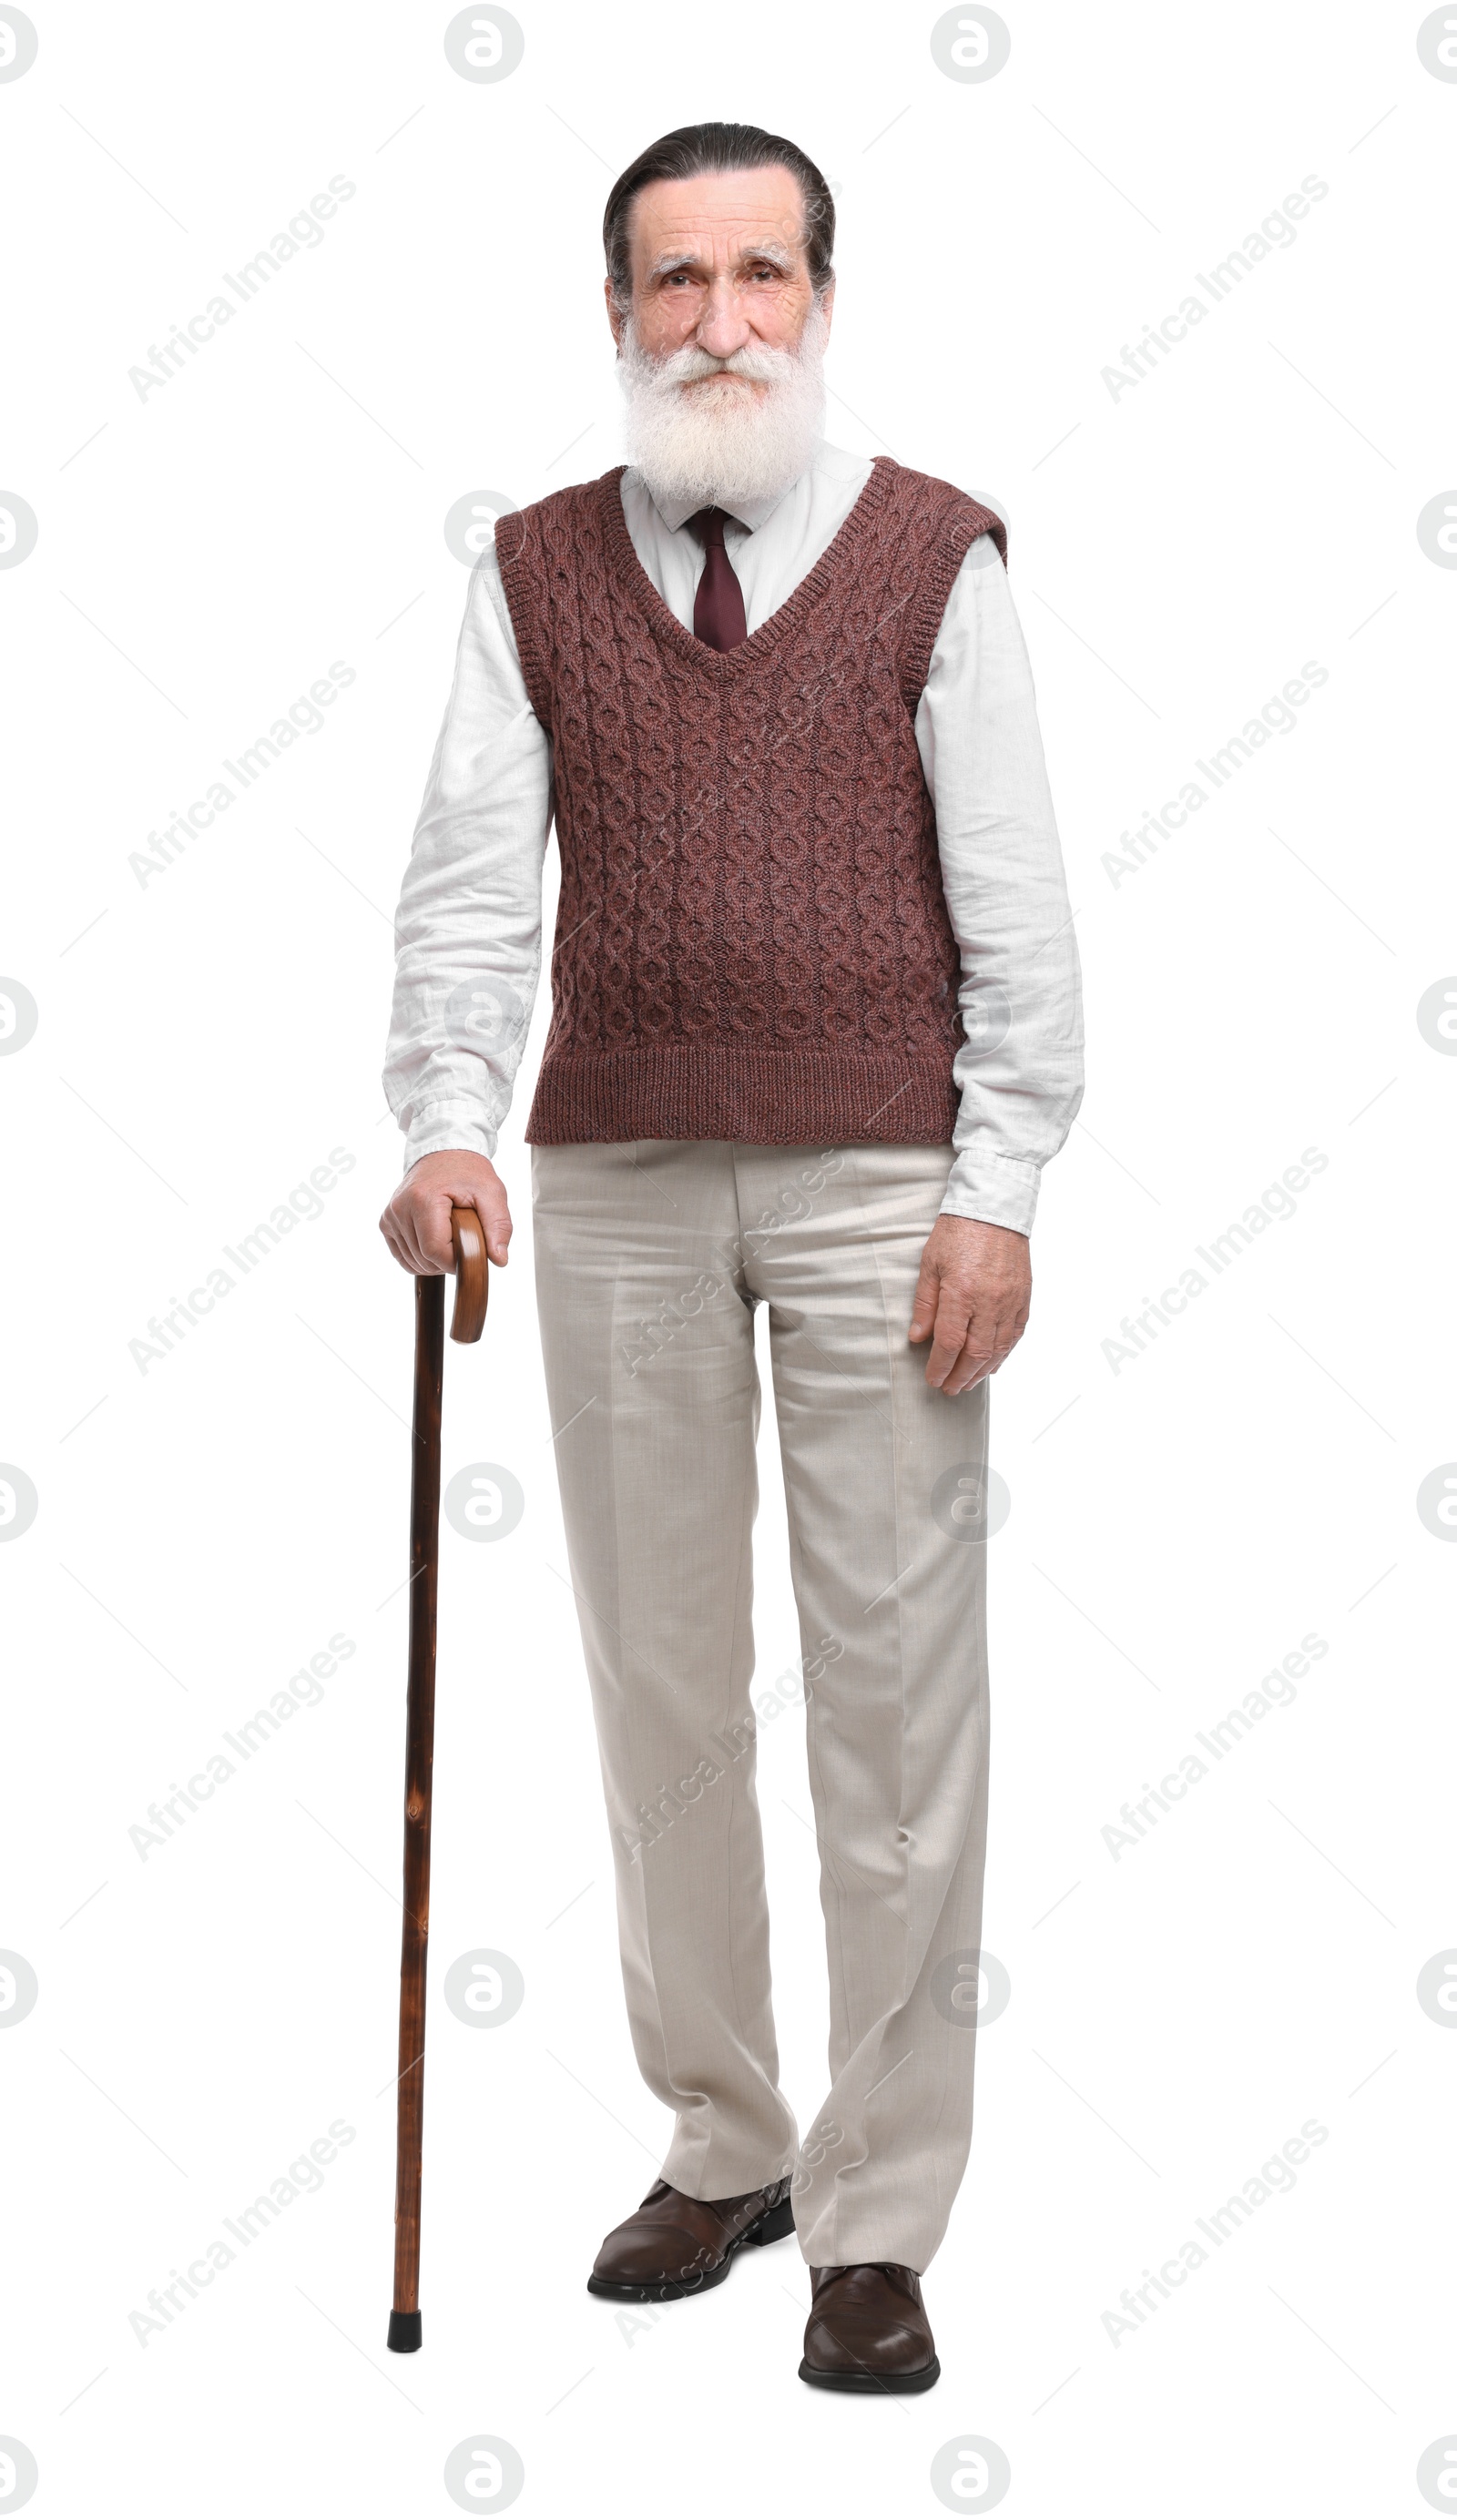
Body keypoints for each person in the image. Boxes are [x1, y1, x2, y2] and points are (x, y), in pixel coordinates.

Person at [381, 119, 1083, 2393]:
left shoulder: (929, 552)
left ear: (817, 297)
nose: (716, 322)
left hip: (887, 1188)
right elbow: (476, 884)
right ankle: (721, 2136)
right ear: (613, 314)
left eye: (757, 276)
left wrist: (996, 1187)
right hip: (618, 1189)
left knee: (893, 1711)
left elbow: (1019, 910)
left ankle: (877, 2216)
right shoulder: (534, 569)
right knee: (661, 1697)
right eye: (670, 282)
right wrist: (441, 1127)